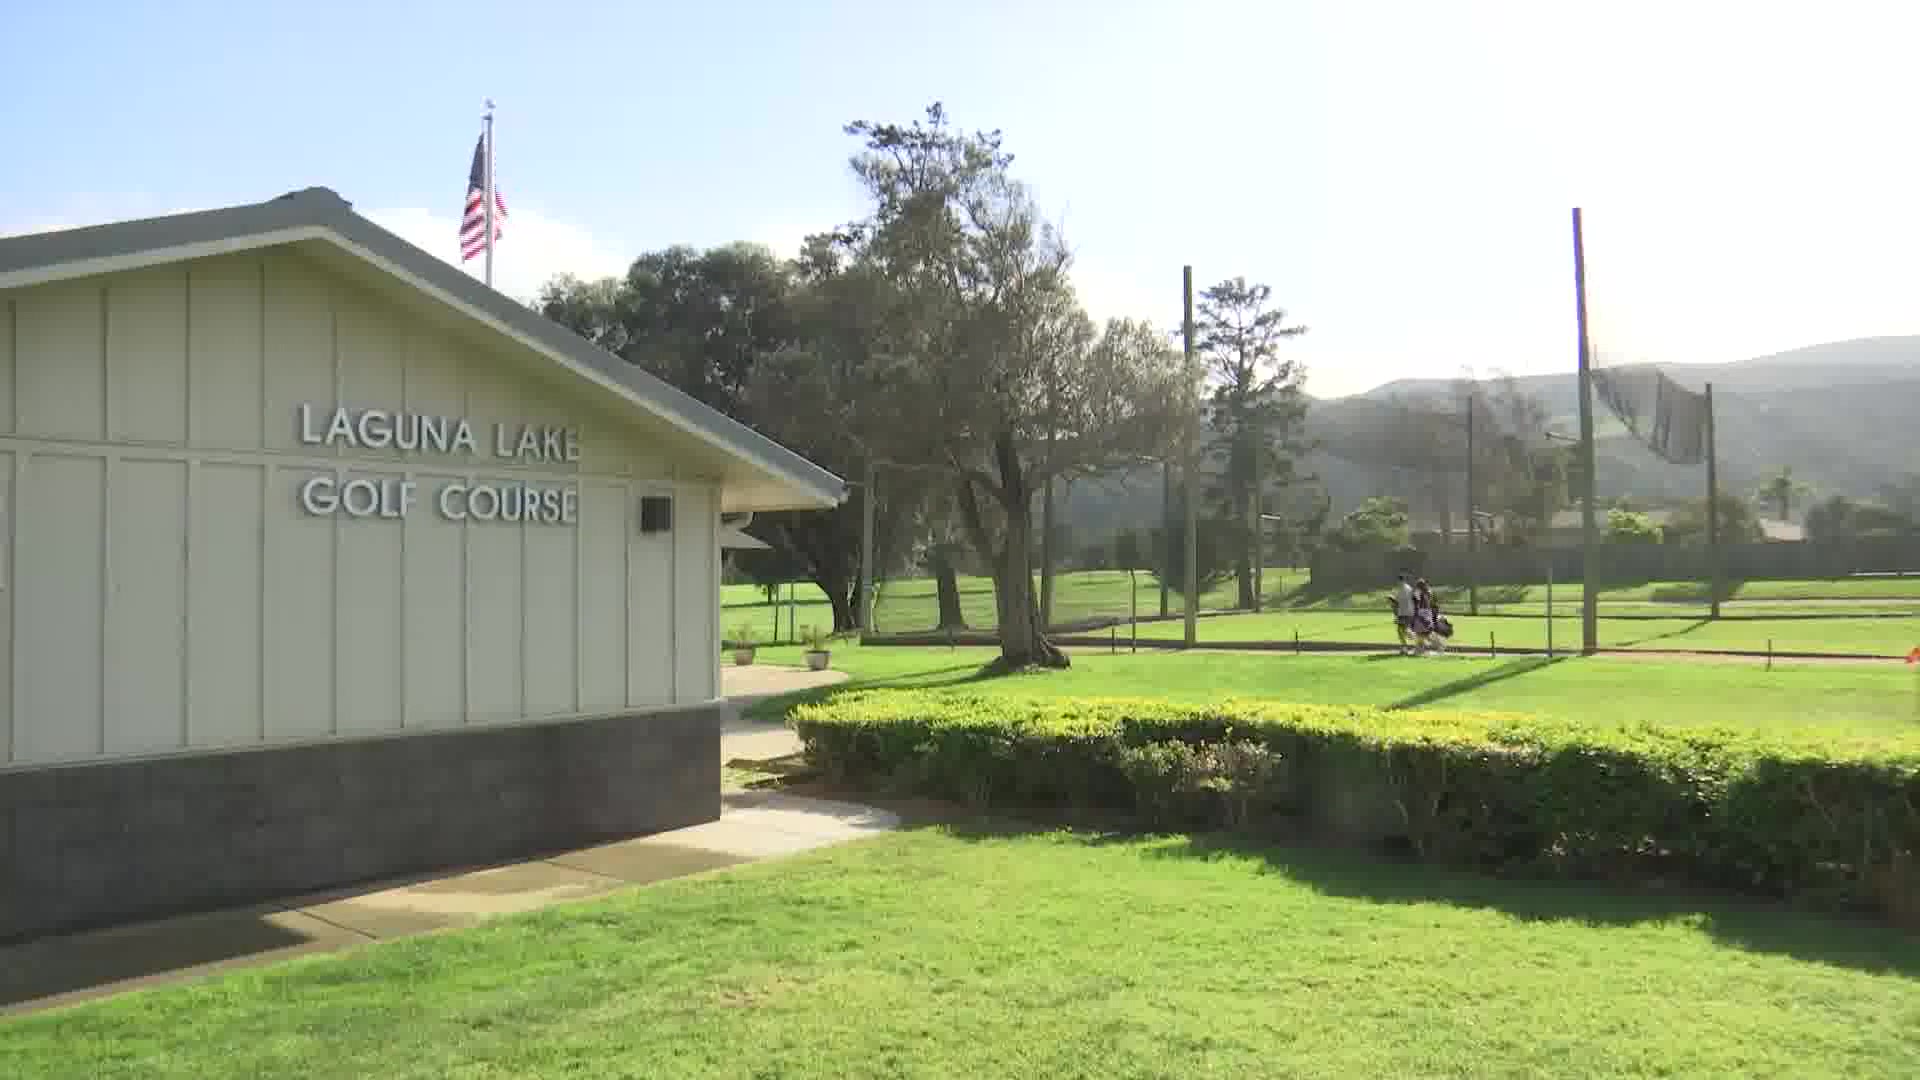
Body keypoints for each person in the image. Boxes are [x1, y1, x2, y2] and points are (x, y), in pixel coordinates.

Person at [1392, 572, 1417, 655]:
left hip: (1405, 613)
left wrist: (1392, 600)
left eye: (1398, 581)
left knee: (1403, 630)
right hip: (1406, 613)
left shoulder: (1403, 589)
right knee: (1402, 630)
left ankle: (1417, 644)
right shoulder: (1407, 588)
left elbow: (1400, 602)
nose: (1397, 583)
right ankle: (1405, 647)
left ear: (1401, 580)